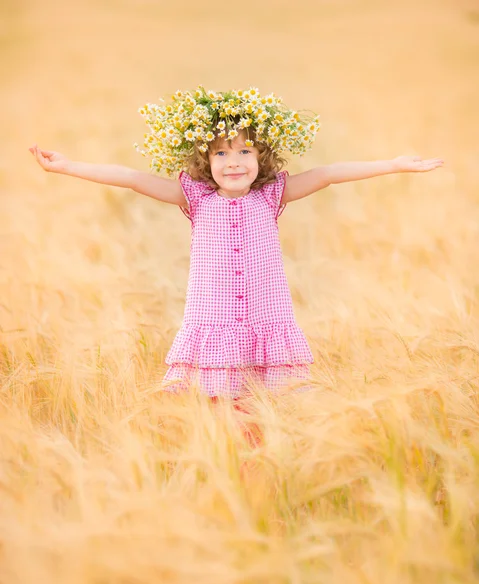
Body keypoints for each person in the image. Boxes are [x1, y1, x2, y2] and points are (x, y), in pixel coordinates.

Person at [29, 86, 444, 414]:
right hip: (214, 321)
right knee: (214, 412)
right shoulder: (193, 198)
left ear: (261, 158)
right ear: (203, 160)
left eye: (246, 151)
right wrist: (68, 166)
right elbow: (131, 178)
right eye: (221, 153)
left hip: (266, 317)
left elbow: (329, 174)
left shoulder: (271, 196)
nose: (234, 162)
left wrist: (393, 163)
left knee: (266, 410)